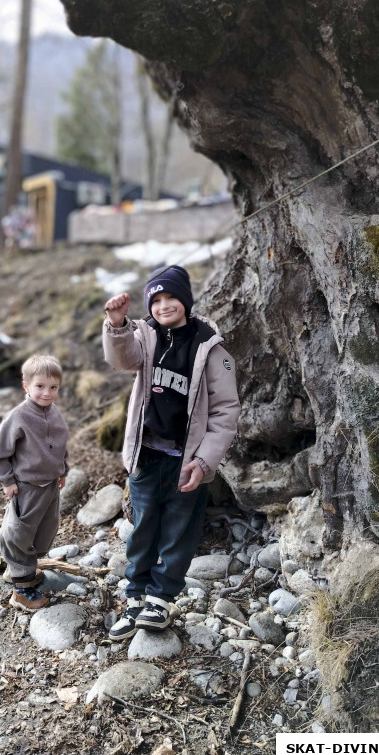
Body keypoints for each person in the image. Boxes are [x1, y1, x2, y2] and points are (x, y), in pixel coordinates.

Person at [103, 265, 240, 640]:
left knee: (180, 528)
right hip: (146, 454)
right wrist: (117, 324)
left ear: (186, 300)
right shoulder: (145, 337)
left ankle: (161, 599)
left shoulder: (210, 346)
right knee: (144, 525)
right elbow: (122, 358)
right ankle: (135, 597)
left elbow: (226, 411)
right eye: (156, 300)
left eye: (171, 297)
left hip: (187, 461)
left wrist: (204, 460)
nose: (164, 306)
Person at [0, 354, 68, 610]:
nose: (46, 393)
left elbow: (59, 446)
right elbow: (1, 451)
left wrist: (62, 469)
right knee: (19, 532)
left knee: (44, 530)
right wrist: (6, 480)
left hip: (50, 484)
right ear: (26, 386)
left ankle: (21, 569)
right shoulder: (19, 417)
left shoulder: (54, 413)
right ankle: (22, 590)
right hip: (27, 486)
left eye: (53, 387)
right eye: (40, 386)